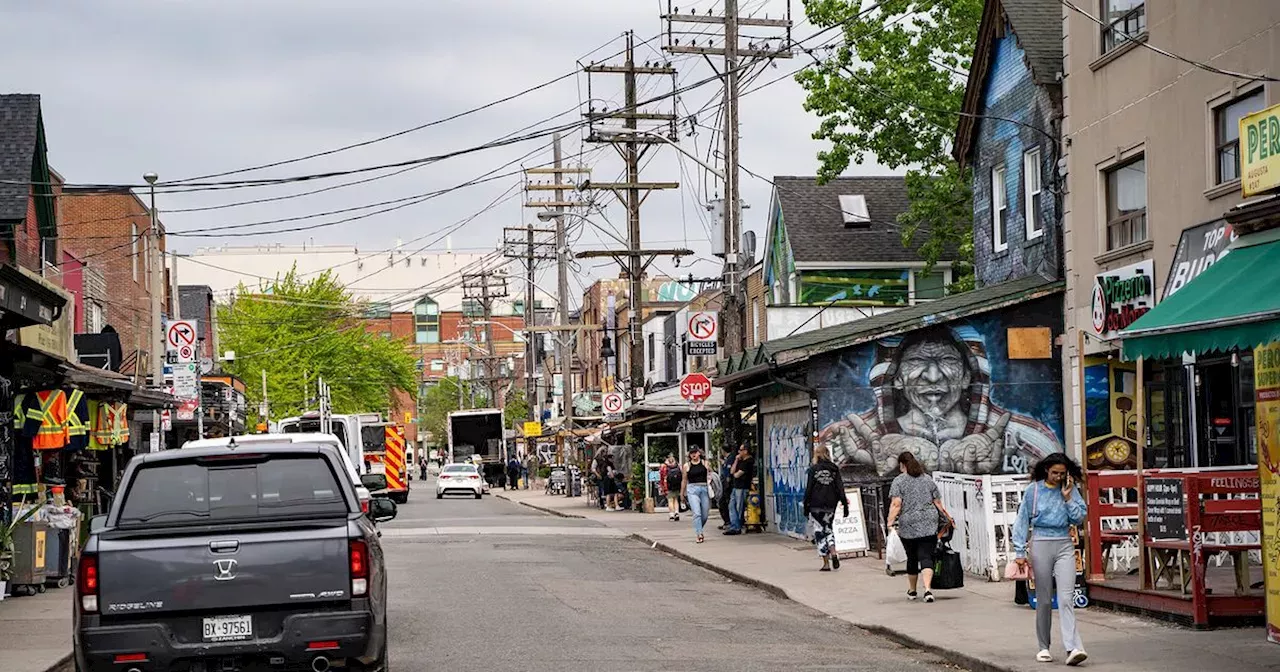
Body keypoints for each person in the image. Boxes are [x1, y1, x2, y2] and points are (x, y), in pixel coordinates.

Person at [1012, 453, 1088, 666]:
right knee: (1044, 599)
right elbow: (1021, 521)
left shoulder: (1070, 490)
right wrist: (1019, 552)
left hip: (1064, 542)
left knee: (1066, 598)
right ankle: (1043, 646)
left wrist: (1068, 498)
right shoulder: (1033, 490)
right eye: (1055, 472)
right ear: (1046, 470)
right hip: (1040, 543)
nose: (1058, 477)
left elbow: (1079, 517)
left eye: (1062, 473)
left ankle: (1073, 647)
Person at [886, 451, 953, 603]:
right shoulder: (927, 479)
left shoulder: (899, 481)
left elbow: (896, 504)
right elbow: (938, 503)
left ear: (901, 465)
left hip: (908, 523)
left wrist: (890, 522)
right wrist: (947, 518)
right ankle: (928, 590)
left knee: (912, 557)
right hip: (929, 522)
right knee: (926, 556)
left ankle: (912, 590)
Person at [803, 445, 849, 572]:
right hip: (830, 504)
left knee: (819, 531)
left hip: (816, 504)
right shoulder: (834, 469)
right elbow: (840, 487)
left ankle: (826, 563)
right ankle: (833, 552)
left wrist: (806, 505)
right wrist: (845, 505)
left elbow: (809, 488)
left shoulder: (813, 469)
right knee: (828, 529)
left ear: (817, 455)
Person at [682, 446, 712, 543]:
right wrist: (682, 493)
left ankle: (699, 528)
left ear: (699, 453)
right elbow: (684, 480)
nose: (693, 454)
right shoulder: (687, 466)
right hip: (692, 489)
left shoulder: (705, 463)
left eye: (695, 452)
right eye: (691, 453)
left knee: (705, 514)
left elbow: (711, 475)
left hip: (704, 488)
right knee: (697, 513)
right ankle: (699, 533)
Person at [724, 443, 754, 535]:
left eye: (741, 450)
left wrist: (735, 473)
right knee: (731, 506)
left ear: (746, 451)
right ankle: (734, 525)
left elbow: (737, 475)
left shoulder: (749, 461)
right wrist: (736, 460)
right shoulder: (740, 461)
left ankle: (737, 526)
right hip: (736, 486)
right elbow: (732, 471)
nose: (739, 452)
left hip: (742, 487)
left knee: (739, 507)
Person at [660, 453, 682, 521]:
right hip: (677, 485)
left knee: (670, 500)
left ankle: (671, 514)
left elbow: (662, 476)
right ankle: (677, 513)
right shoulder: (677, 465)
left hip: (668, 485)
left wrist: (662, 486)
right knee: (676, 499)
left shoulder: (664, 466)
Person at [717, 445, 735, 529]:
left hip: (728, 485)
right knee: (722, 503)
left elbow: (728, 472)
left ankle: (729, 521)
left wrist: (727, 483)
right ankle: (727, 521)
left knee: (724, 503)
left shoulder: (731, 458)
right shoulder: (727, 459)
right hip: (725, 484)